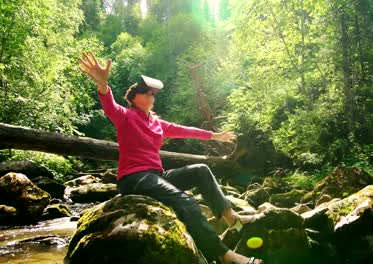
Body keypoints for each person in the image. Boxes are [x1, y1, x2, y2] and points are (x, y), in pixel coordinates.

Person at [78, 51, 263, 264]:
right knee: (187, 203)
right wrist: (103, 84)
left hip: (157, 175)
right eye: (146, 93)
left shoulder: (157, 123)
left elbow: (184, 130)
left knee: (201, 170)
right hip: (134, 178)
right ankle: (225, 256)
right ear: (134, 98)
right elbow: (109, 105)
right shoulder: (126, 116)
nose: (151, 96)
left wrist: (215, 135)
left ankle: (233, 219)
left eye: (152, 94)